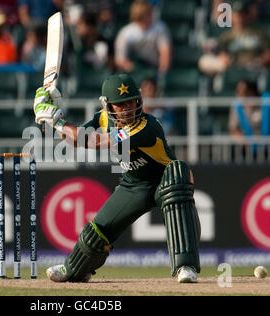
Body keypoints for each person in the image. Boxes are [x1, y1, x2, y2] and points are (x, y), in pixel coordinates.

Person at [33, 73, 201, 283]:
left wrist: (57, 119)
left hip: (164, 181)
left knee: (177, 171)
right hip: (134, 185)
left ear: (138, 100)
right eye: (120, 104)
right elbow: (74, 139)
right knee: (99, 230)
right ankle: (74, 269)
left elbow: (94, 142)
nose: (127, 109)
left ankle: (185, 266)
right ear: (108, 106)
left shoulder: (146, 126)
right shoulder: (104, 118)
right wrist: (51, 118)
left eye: (130, 101)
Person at [114, 0, 171, 75]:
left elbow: (165, 55)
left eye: (149, 13)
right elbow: (120, 60)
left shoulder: (160, 29)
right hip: (133, 72)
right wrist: (133, 67)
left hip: (153, 70)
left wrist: (161, 74)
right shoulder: (125, 32)